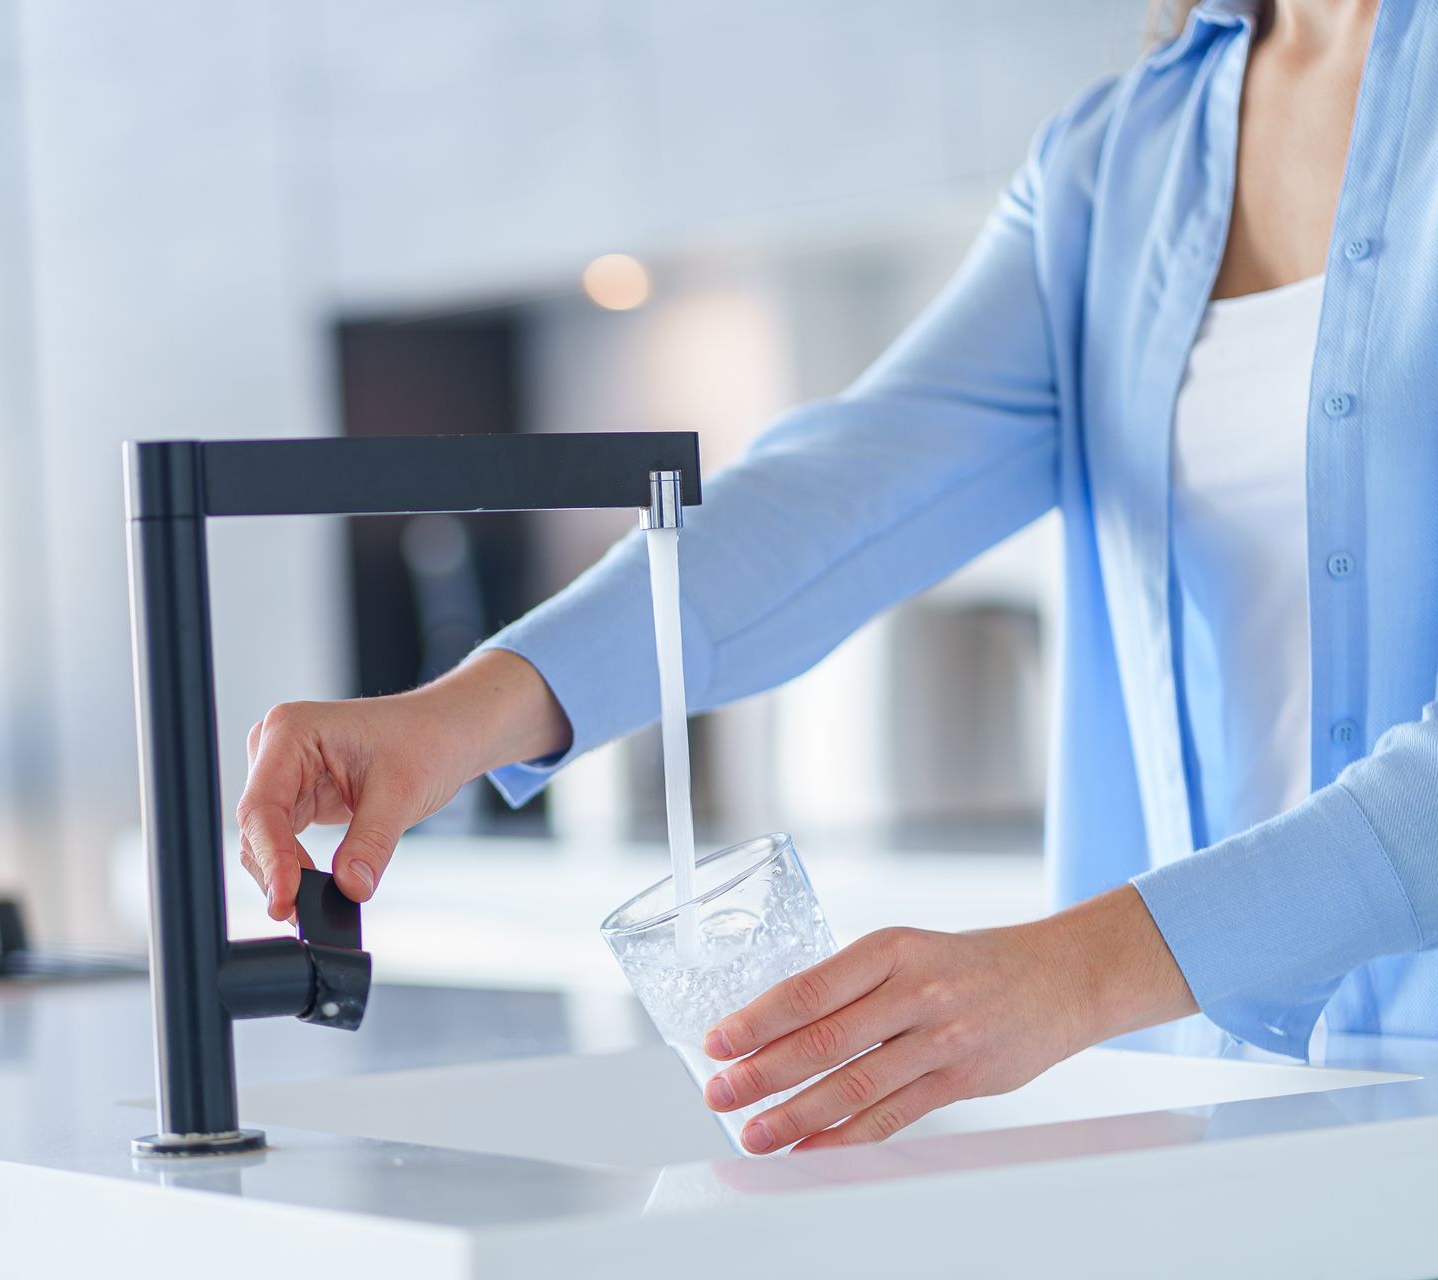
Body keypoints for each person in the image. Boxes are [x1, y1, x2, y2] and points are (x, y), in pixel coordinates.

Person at [237, 0, 1438, 1153]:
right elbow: (845, 491)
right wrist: (458, 716)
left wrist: (1077, 968)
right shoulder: (1120, 162)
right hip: (1225, 1111)